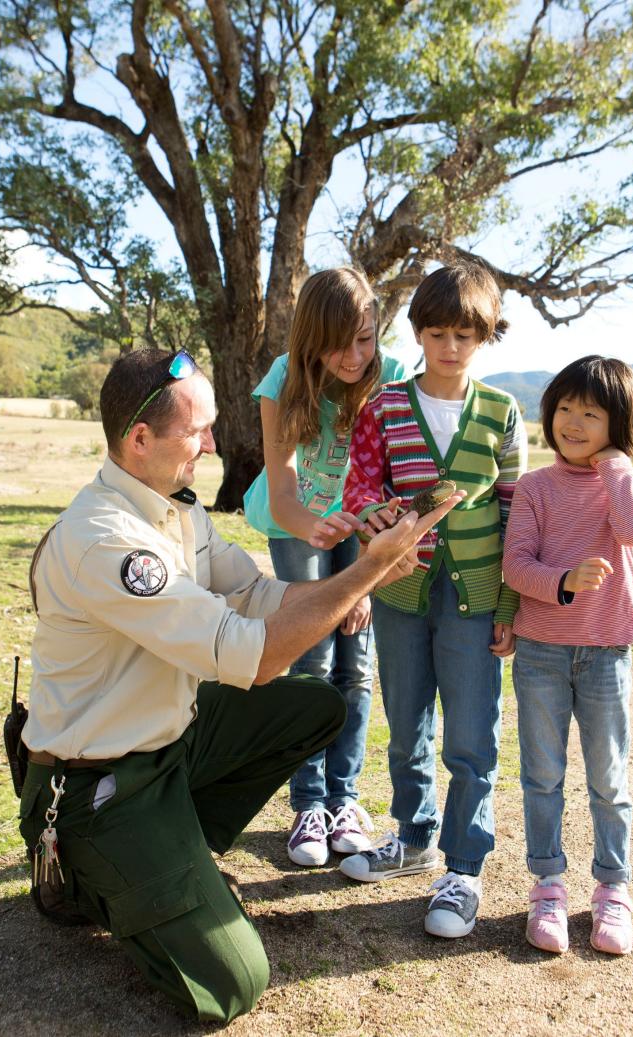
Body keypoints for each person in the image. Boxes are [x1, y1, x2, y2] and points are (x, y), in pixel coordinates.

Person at [17, 346, 460, 1024]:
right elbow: (251, 656)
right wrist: (365, 575)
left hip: (167, 743)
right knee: (236, 982)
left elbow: (255, 592)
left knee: (315, 705)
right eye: (196, 430)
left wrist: (357, 572)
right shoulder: (107, 540)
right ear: (140, 440)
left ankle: (177, 859)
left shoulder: (176, 507)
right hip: (96, 785)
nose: (213, 443)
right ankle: (83, 881)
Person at [339, 261, 527, 939]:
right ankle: (413, 838)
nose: (451, 346)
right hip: (399, 589)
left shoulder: (502, 412)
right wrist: (381, 516)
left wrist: (509, 607)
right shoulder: (385, 405)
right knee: (406, 719)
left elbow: (517, 516)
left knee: (472, 735)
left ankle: (464, 866)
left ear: (486, 337)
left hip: (476, 597)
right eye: (439, 331)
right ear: (417, 332)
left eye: (466, 334)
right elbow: (359, 487)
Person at [243, 267, 411, 867]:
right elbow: (285, 489)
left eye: (365, 338)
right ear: (311, 337)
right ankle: (308, 803)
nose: (355, 355)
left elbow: (395, 479)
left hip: (366, 522)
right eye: (340, 343)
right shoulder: (284, 380)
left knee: (356, 659)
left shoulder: (391, 377)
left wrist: (364, 571)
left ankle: (345, 800)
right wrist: (312, 527)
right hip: (298, 522)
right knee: (309, 653)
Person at [502, 355, 633, 956]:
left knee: (608, 779)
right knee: (542, 775)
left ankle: (612, 890)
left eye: (591, 413)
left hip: (606, 653)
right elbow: (518, 566)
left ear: (619, 422)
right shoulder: (536, 486)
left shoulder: (629, 480)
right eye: (564, 408)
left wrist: (615, 465)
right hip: (540, 650)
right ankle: (548, 887)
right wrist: (563, 580)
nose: (572, 421)